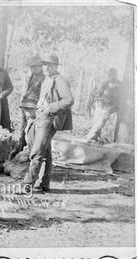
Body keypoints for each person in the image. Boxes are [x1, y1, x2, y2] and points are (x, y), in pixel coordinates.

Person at [22, 54, 74, 192]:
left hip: (50, 118)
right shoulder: (47, 79)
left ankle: (27, 185)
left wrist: (50, 108)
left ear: (56, 66)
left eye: (49, 65)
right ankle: (44, 183)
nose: (46, 67)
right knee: (45, 150)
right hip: (40, 117)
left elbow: (69, 100)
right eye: (44, 64)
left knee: (37, 151)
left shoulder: (60, 80)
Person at [10, 54, 45, 159]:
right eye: (32, 67)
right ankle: (21, 147)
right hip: (26, 105)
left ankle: (30, 151)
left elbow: (42, 95)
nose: (34, 69)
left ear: (40, 67)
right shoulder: (32, 77)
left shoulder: (43, 78)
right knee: (24, 129)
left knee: (31, 129)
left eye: (36, 67)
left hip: (34, 106)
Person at [85, 68, 121, 142]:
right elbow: (99, 93)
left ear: (116, 75)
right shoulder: (105, 83)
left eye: (113, 74)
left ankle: (90, 136)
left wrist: (114, 107)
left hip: (109, 107)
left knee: (101, 122)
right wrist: (97, 101)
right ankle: (95, 138)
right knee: (96, 121)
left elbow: (120, 99)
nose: (112, 76)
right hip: (101, 105)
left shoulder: (119, 85)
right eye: (110, 74)